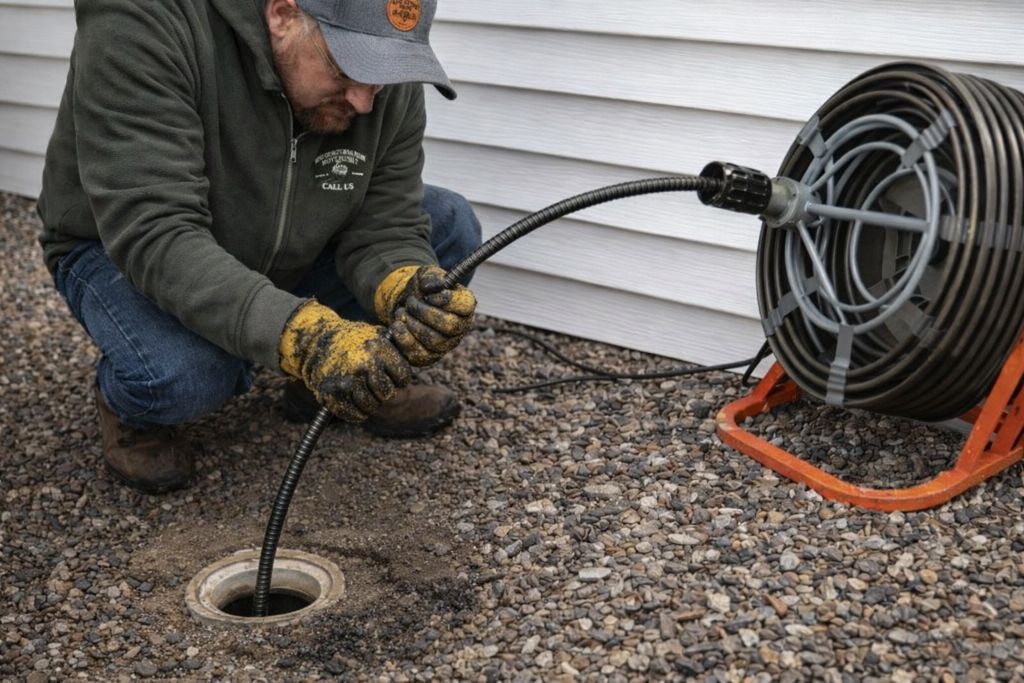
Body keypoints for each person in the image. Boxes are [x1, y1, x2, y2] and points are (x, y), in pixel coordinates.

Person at [36, 0, 481, 494]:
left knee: (449, 228)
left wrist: (403, 283)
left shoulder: (377, 77)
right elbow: (156, 232)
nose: (364, 102)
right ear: (283, 14)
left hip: (283, 238)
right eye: (347, 68)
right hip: (124, 245)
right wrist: (308, 339)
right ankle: (130, 407)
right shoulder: (144, 22)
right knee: (189, 377)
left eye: (383, 73)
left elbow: (384, 221)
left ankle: (336, 384)